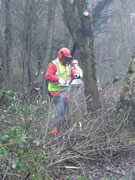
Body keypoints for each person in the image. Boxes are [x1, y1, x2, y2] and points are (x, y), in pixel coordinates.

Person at [46, 48, 76, 134]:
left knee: (65, 114)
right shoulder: (53, 64)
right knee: (60, 112)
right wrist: (58, 80)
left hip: (65, 93)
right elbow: (48, 76)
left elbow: (72, 72)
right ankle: (54, 131)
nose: (67, 60)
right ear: (61, 56)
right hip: (55, 93)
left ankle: (63, 131)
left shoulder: (68, 65)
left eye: (68, 59)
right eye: (66, 58)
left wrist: (75, 75)